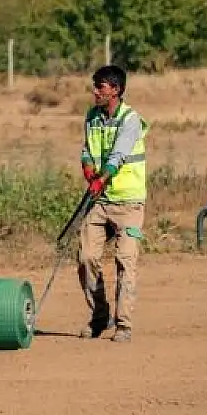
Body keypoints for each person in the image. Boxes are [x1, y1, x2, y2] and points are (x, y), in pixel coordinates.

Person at [77, 65, 150, 343]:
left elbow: (118, 155)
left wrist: (102, 177)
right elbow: (87, 149)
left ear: (116, 90)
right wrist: (86, 166)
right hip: (100, 202)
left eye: (101, 87)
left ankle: (123, 324)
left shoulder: (130, 120)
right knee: (85, 258)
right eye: (95, 86)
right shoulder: (92, 117)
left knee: (125, 261)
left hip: (129, 203)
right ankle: (100, 317)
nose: (95, 91)